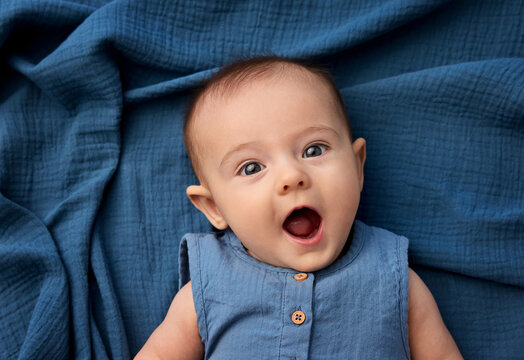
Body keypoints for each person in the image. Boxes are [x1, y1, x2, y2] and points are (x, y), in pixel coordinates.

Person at [135, 56, 463, 359]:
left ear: (357, 166)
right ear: (213, 207)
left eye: (313, 149)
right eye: (251, 168)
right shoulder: (207, 288)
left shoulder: (394, 279)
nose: (292, 176)